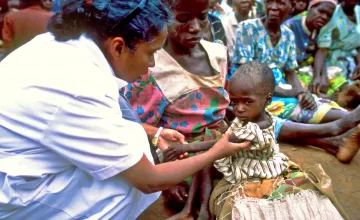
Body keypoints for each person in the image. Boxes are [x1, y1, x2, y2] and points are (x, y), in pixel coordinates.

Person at [0, 0, 251, 219]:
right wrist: (216, 152)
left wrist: (153, 132)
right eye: (151, 53)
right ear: (119, 47)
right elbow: (149, 180)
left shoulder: (68, 44)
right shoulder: (79, 86)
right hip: (14, 196)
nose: (153, 63)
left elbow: (100, 113)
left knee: (134, 140)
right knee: (127, 184)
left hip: (20, 158)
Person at [123, 0, 231, 218]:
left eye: (202, 16)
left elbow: (226, 105)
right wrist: (167, 180)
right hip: (181, 152)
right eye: (182, 19)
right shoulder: (152, 68)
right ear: (162, 18)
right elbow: (139, 130)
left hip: (221, 141)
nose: (195, 27)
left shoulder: (217, 53)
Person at [209, 62, 350, 220]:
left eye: (246, 102)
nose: (239, 108)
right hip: (253, 162)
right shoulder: (243, 119)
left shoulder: (255, 124)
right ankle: (335, 134)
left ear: (266, 99)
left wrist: (192, 148)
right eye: (235, 102)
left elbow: (221, 144)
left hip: (257, 167)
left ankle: (336, 132)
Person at [231, 0, 354, 127]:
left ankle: (348, 122)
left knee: (315, 103)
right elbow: (247, 78)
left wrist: (302, 93)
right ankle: (345, 124)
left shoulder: (288, 35)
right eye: (269, 2)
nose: (273, 7)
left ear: (292, 7)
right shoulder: (247, 28)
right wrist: (293, 93)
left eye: (281, 3)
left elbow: (290, 73)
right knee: (303, 111)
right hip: (252, 96)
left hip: (281, 91)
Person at [285, 0, 360, 107]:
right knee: (304, 87)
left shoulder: (318, 28)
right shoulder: (290, 27)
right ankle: (328, 99)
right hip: (291, 71)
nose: (324, 17)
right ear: (310, 8)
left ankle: (343, 94)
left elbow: (319, 53)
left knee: (334, 80)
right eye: (321, 11)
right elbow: (287, 66)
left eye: (328, 15)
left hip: (308, 67)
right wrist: (316, 77)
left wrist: (320, 76)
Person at [314, 0, 360, 107]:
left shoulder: (358, 11)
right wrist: (320, 75)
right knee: (342, 96)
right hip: (332, 64)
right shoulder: (333, 13)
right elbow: (321, 50)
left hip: (353, 63)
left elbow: (358, 44)